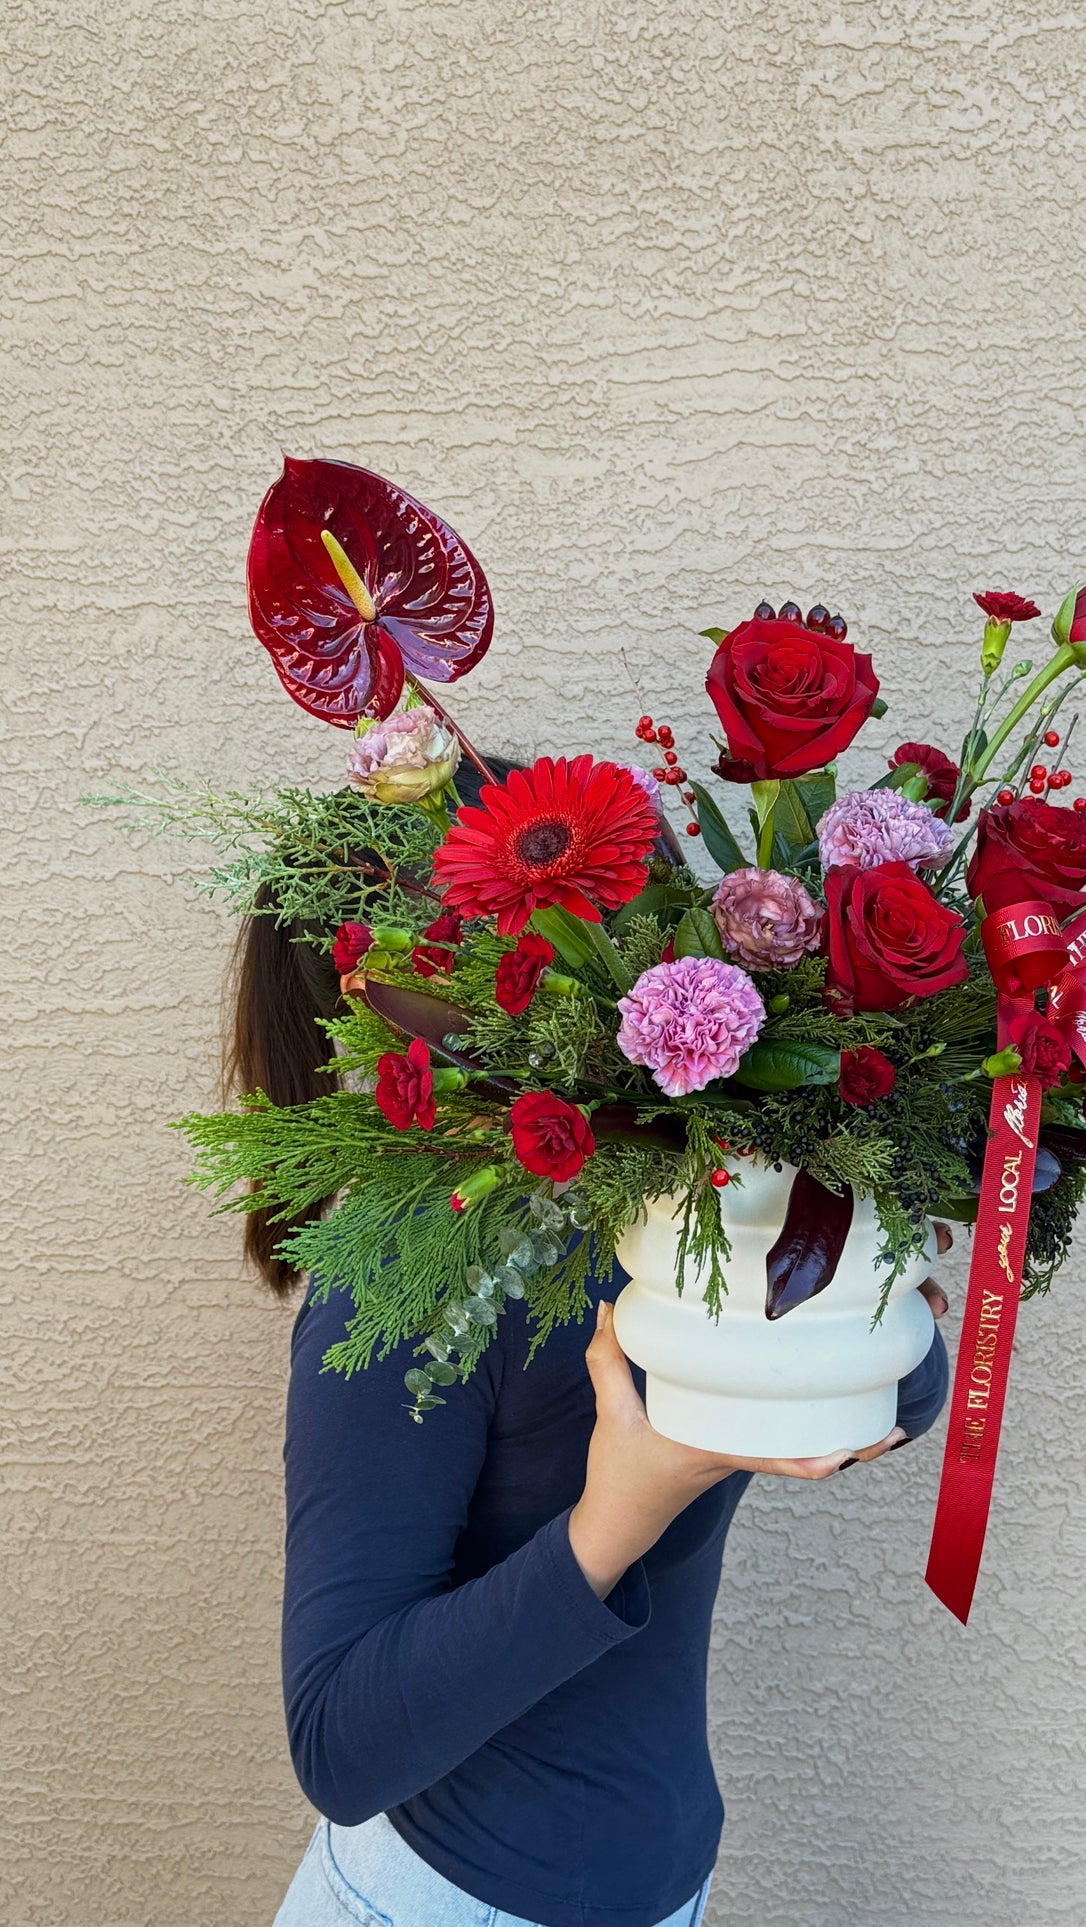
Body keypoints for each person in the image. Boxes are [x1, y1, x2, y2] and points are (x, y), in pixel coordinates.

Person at [240, 761, 952, 1927]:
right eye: (551, 930)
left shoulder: (665, 1193)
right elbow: (340, 1743)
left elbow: (893, 1400)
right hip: (448, 1899)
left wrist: (859, 1271)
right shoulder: (404, 1277)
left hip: (655, 1872)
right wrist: (617, 1514)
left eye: (612, 899)